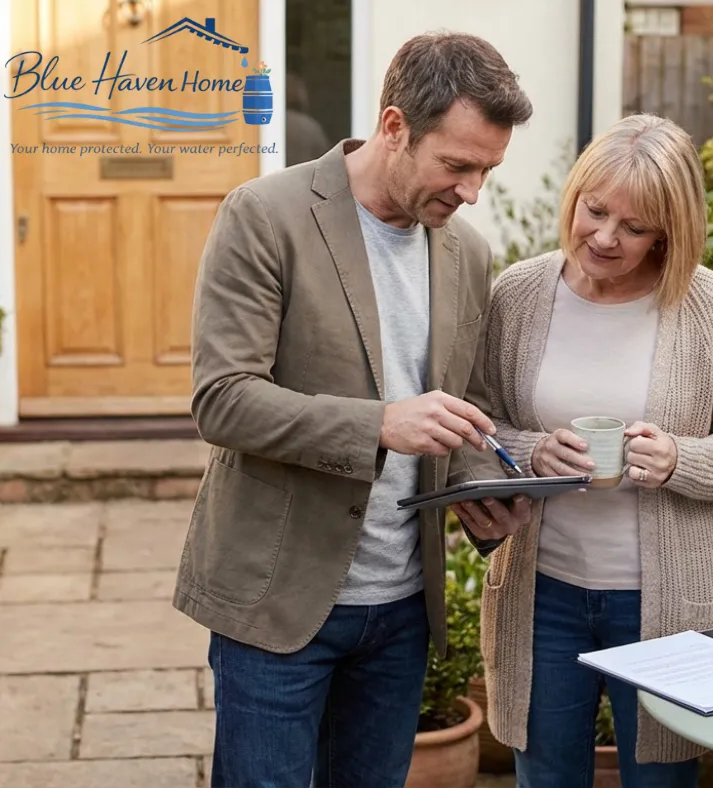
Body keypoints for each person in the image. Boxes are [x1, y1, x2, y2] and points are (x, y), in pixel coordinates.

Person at [172, 32, 534, 788]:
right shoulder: (264, 215)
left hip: (402, 607)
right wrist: (378, 424)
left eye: (488, 171)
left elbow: (463, 402)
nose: (472, 192)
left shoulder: (464, 252)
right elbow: (223, 400)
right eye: (458, 166)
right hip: (278, 600)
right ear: (395, 127)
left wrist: (481, 483)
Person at [451, 114, 713, 788]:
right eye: (594, 211)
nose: (603, 237)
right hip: (542, 595)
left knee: (661, 779)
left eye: (633, 228)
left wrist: (679, 460)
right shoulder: (519, 293)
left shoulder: (706, 304)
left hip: (666, 608)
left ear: (668, 229)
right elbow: (479, 423)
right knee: (545, 776)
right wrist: (533, 448)